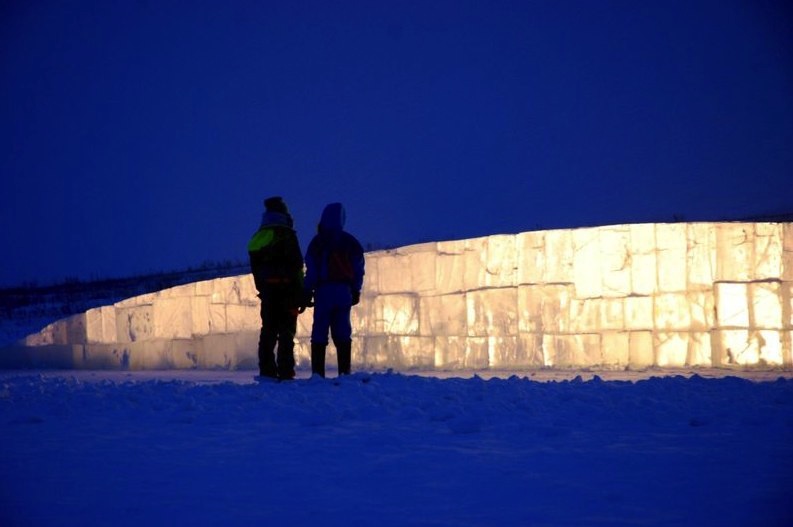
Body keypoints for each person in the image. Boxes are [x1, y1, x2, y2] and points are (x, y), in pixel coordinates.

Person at [303, 202, 365, 377]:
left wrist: (307, 290)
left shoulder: (317, 243)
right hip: (344, 291)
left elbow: (312, 272)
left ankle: (318, 374)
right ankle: (344, 372)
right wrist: (356, 290)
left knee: (320, 331)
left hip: (324, 291)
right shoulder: (350, 242)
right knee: (343, 330)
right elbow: (359, 269)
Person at [247, 196, 304, 380]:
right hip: (287, 290)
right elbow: (297, 266)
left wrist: (263, 288)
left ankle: (266, 371)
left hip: (268, 292)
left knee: (268, 330)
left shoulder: (258, 237)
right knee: (287, 331)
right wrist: (300, 293)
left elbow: (255, 268)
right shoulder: (286, 235)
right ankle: (286, 371)